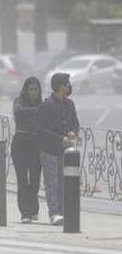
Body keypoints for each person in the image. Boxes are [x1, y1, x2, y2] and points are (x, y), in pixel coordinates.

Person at [37, 72, 80, 226]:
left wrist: (72, 133)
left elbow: (75, 123)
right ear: (61, 86)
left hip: (65, 150)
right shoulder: (47, 104)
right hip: (49, 150)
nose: (69, 86)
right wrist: (60, 139)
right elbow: (40, 130)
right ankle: (54, 213)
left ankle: (63, 211)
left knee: (64, 182)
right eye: (67, 83)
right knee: (52, 182)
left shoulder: (69, 104)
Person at [12, 77, 43, 224]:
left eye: (36, 89)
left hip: (36, 145)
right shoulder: (19, 101)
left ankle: (33, 209)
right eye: (30, 89)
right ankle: (25, 212)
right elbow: (18, 112)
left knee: (35, 180)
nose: (33, 93)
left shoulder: (42, 104)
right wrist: (36, 111)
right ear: (26, 90)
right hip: (20, 144)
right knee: (22, 180)